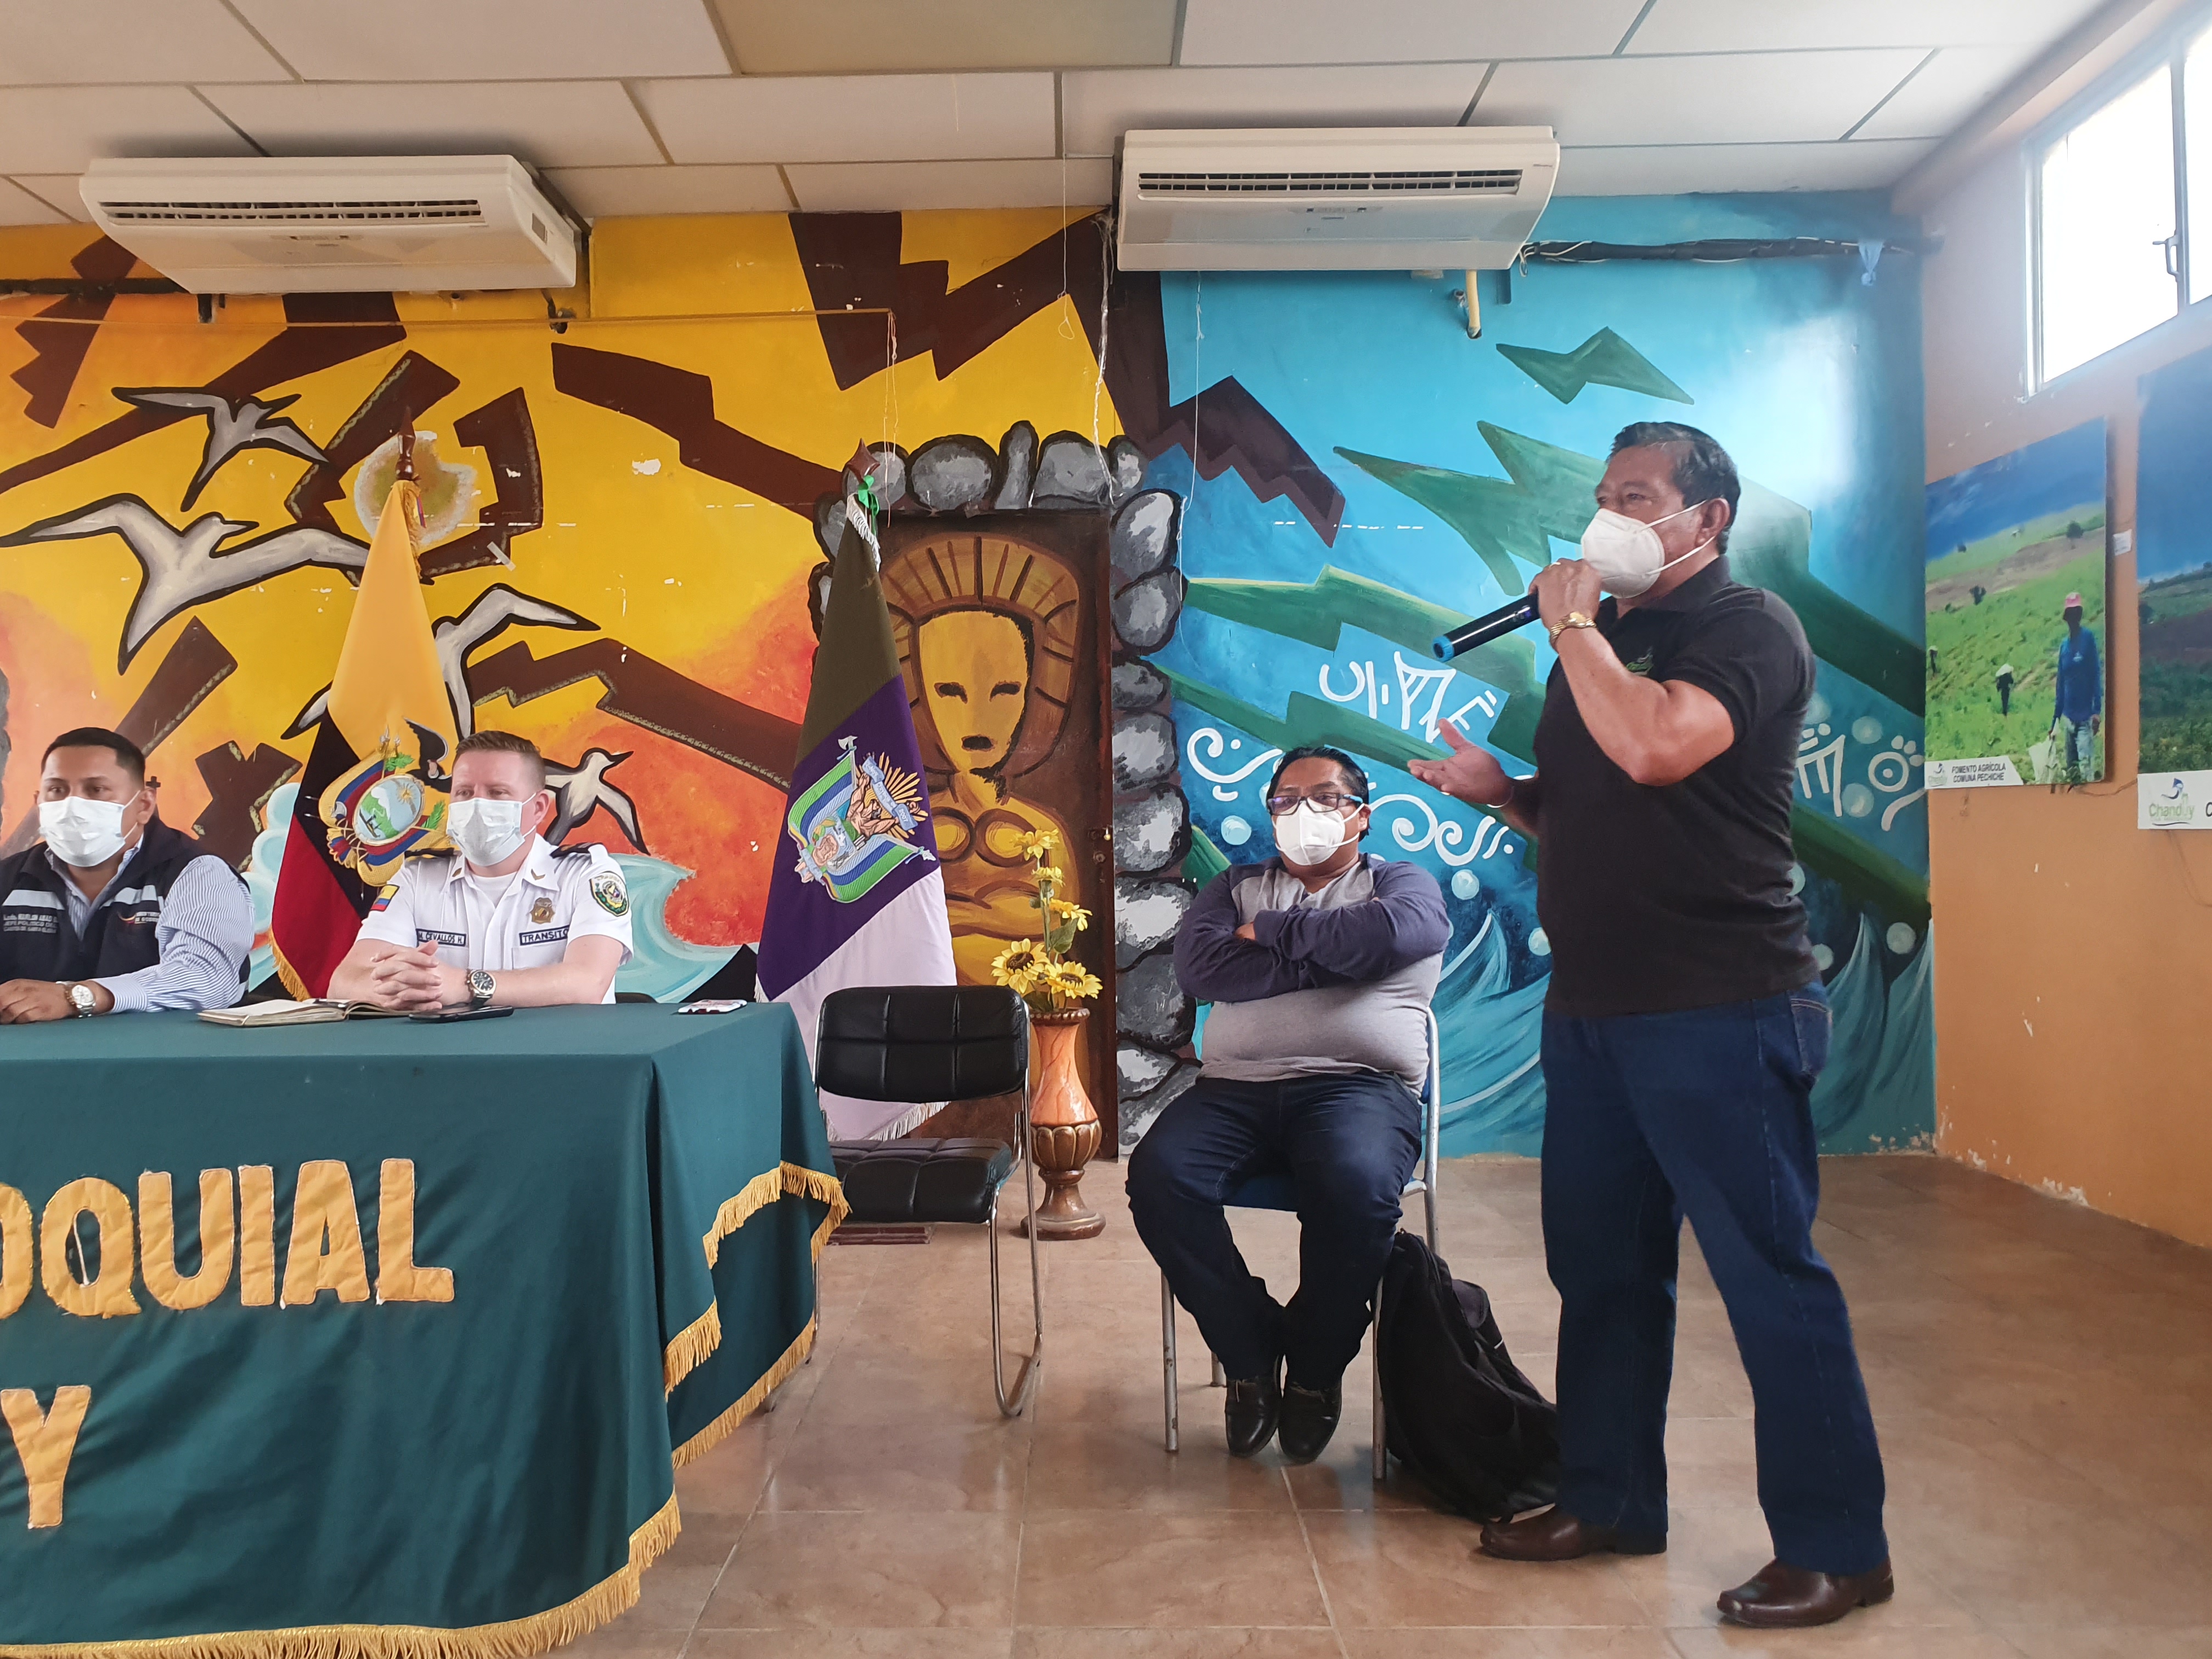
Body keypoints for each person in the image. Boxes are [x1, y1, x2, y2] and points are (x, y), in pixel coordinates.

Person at [1409, 422, 1890, 1630]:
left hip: (1722, 1007)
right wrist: (1509, 794)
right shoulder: (1606, 640)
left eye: (1636, 496)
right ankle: (1609, 1497)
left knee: (1768, 1276)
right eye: (1602, 494)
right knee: (1604, 1271)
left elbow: (1658, 746)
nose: (1607, 516)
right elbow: (1594, 806)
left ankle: (1838, 1546)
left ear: (1707, 518)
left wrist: (1571, 628)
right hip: (1594, 1014)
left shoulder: (1748, 628)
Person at [1127, 746, 1447, 1465]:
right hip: (1234, 1091)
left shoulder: (1401, 883)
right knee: (1158, 1177)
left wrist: (1271, 935)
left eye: (1326, 797)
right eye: (1286, 800)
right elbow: (1202, 969)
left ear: (1362, 817)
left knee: (1355, 1185)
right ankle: (1249, 1349)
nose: (1305, 812)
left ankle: (1313, 1367)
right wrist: (1342, 960)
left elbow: (1400, 934)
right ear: (1271, 816)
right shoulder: (1235, 887)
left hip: (1360, 1089)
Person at [328, 730, 632, 1011]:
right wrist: (402, 988)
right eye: (464, 792)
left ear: (538, 808)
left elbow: (587, 983)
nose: (476, 805)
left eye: (497, 793)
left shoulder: (586, 875)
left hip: (561, 1051)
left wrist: (465, 985)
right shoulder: (417, 878)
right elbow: (344, 982)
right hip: (448, 1051)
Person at [0, 727, 251, 1023]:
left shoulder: (197, 874)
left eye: (96, 790)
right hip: (29, 1051)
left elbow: (207, 978)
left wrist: (80, 996)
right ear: (38, 803)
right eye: (57, 790)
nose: (72, 806)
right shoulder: (9, 878)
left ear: (144, 805)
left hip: (163, 1050)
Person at [2050, 593, 2101, 780]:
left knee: (2086, 770)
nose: (2073, 617)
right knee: (2072, 771)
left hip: (2085, 718)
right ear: (2067, 617)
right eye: (2070, 614)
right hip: (2068, 719)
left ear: (2079, 615)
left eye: (2076, 613)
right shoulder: (2064, 646)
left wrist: (2097, 711)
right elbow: (2061, 683)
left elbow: (2096, 673)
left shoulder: (2088, 639)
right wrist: (2055, 720)